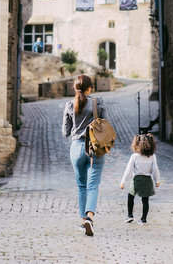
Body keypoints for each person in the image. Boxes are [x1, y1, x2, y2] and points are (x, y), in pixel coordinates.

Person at [62, 74, 106, 236]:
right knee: (93, 185)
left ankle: (83, 222)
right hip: (95, 148)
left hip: (77, 148)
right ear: (90, 88)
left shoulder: (69, 105)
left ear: (75, 88)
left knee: (81, 186)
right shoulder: (98, 103)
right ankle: (89, 217)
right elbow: (105, 124)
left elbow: (66, 132)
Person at [120, 133, 160, 225]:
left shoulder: (135, 156)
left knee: (131, 197)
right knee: (145, 200)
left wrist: (123, 182)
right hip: (147, 180)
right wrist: (157, 181)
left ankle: (130, 215)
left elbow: (128, 170)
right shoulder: (152, 156)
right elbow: (155, 169)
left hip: (136, 180)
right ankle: (143, 219)